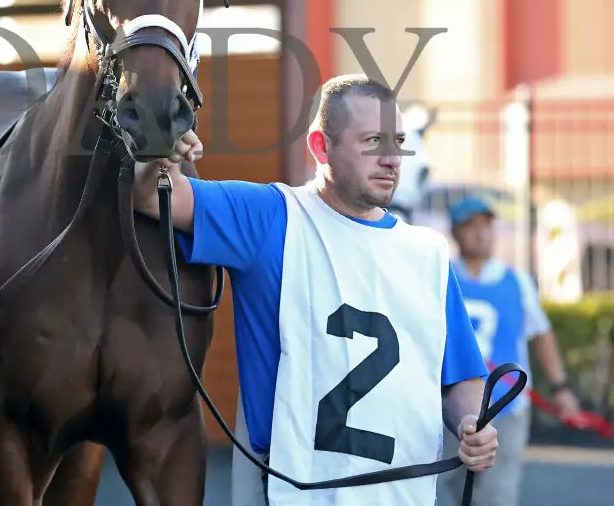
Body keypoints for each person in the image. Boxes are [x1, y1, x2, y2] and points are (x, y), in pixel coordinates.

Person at [132, 74, 499, 505]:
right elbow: (153, 196)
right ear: (321, 147)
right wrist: (161, 151)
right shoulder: (271, 217)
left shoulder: (430, 254)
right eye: (372, 141)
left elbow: (458, 377)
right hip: (294, 491)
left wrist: (472, 422)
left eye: (398, 141)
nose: (391, 158)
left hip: (406, 493)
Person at [435, 195, 581, 506]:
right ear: (455, 232)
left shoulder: (517, 281)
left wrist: (561, 388)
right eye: (470, 226)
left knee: (498, 496)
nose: (480, 233)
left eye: (486, 226)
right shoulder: (440, 276)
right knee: (440, 491)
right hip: (449, 406)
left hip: (508, 408)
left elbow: (541, 336)